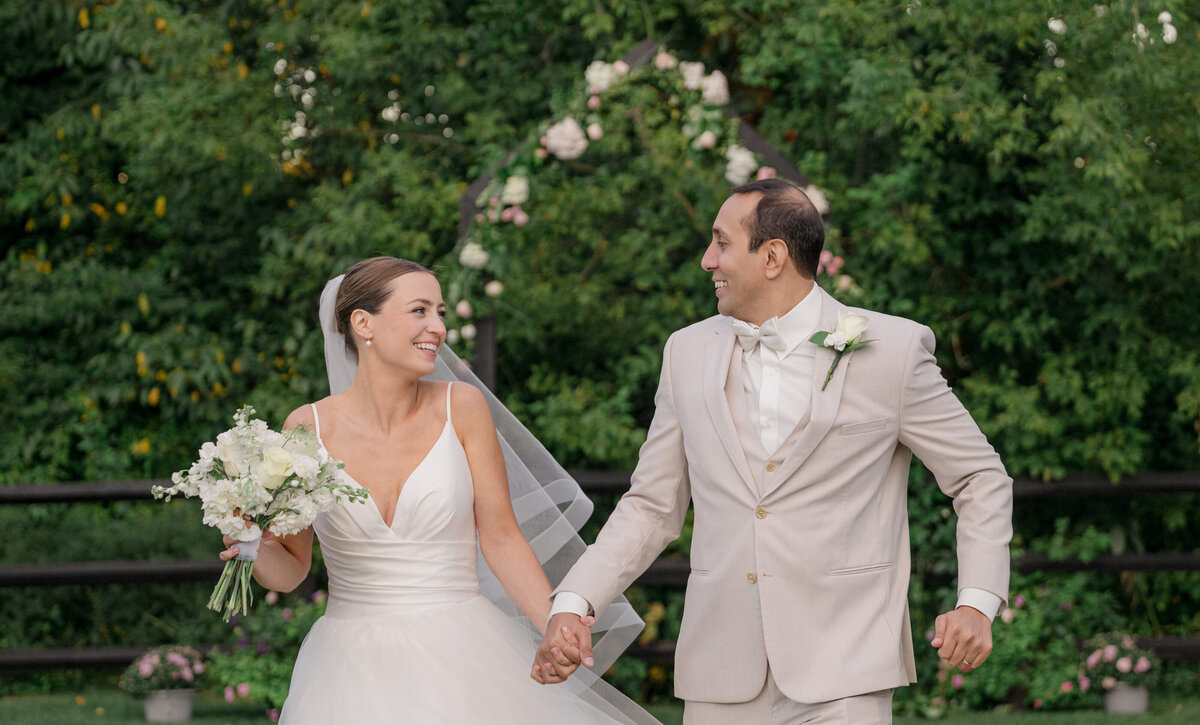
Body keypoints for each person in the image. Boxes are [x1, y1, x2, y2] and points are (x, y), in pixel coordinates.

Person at [535, 179, 1014, 724]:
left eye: (721, 243)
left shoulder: (893, 351)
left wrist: (976, 601)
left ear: (773, 256)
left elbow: (979, 476)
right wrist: (575, 603)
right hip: (721, 670)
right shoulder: (685, 352)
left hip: (846, 667)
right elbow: (651, 505)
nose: (706, 260)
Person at [219, 257, 659, 724]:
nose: (438, 327)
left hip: (466, 655)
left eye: (441, 312)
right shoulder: (306, 428)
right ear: (363, 323)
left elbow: (502, 537)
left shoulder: (462, 407)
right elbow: (289, 571)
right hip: (348, 669)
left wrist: (551, 624)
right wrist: (250, 545)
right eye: (420, 311)